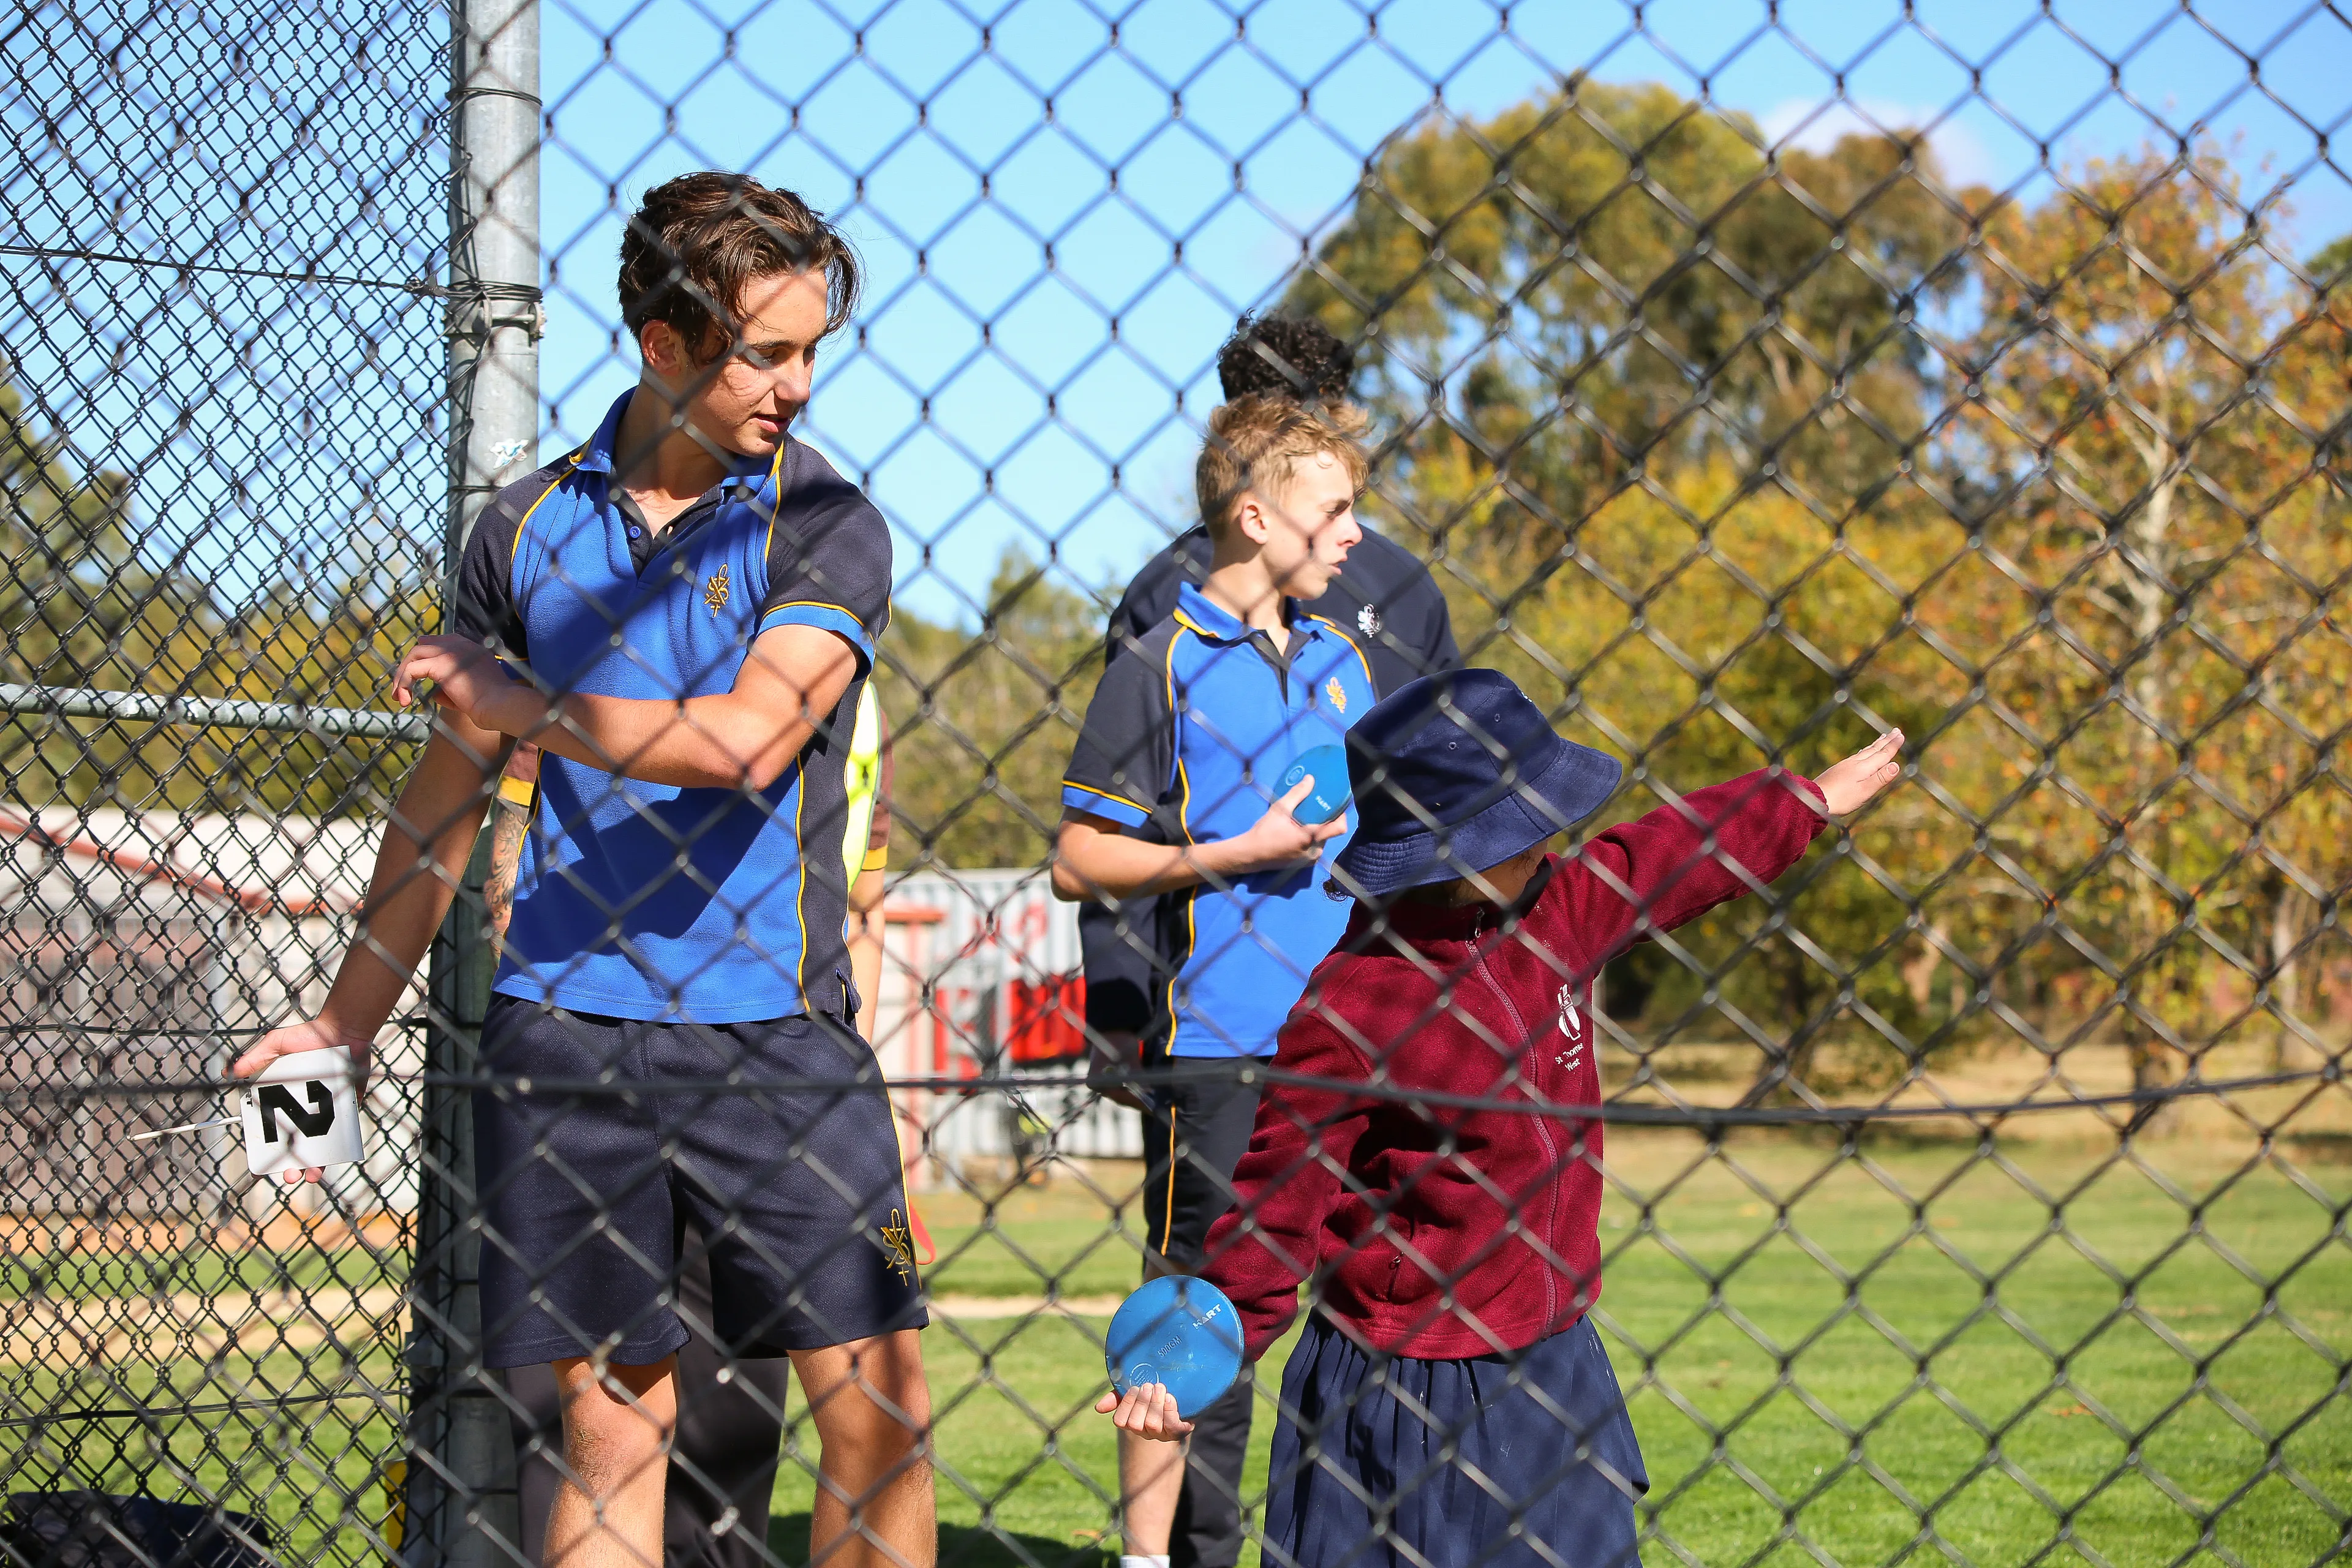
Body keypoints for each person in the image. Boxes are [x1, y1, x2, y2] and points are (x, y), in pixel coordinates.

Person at [233, 171, 933, 1568]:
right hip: (568, 1036)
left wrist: (521, 706)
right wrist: (342, 1021)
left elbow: (750, 741)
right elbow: (440, 802)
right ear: (665, 344)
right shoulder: (519, 529)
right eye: (768, 352)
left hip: (778, 1035)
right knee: (613, 1430)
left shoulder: (824, 518)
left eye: (812, 352)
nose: (798, 385)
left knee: (875, 1418)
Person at [1101, 669, 1906, 1568]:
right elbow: (1274, 1206)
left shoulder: (1557, 912)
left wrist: (1802, 805)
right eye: (1529, 823)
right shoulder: (1355, 1005)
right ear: (1457, 851)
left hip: (1553, 1355)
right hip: (1405, 1380)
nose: (1553, 836)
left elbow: (1669, 855)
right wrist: (1190, 1356)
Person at [1077, 316, 1458, 1568]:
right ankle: (1182, 1554)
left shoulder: (1384, 605)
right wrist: (1124, 1006)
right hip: (1221, 1030)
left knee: (1385, 1299)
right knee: (1205, 1306)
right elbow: (1107, 844)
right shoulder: (1163, 624)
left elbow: (1445, 804)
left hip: (1370, 1012)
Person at [488, 682, 899, 1568]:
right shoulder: (593, 654)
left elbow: (862, 908)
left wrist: (863, 1118)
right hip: (592, 1053)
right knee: (604, 1424)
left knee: (761, 1415)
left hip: (787, 1072)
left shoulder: (854, 692)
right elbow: (506, 882)